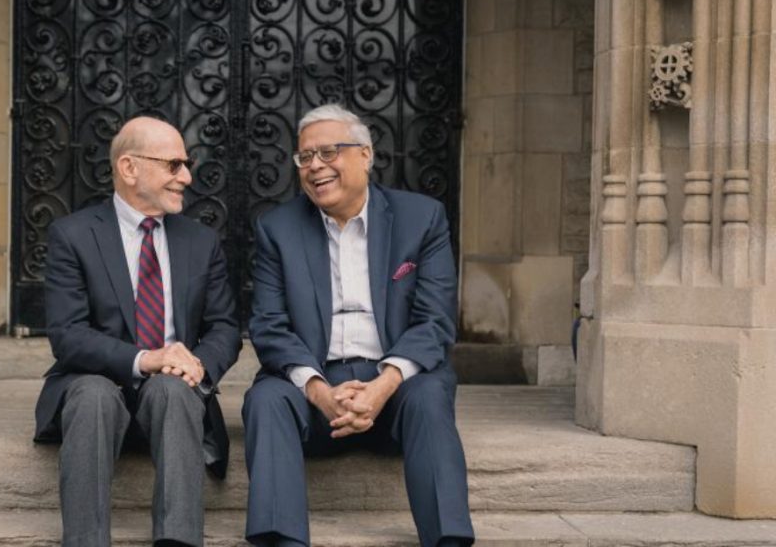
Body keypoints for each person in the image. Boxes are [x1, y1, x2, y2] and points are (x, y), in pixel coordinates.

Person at [242, 104, 474, 546]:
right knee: (267, 398)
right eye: (305, 157)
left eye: (329, 152)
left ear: (365, 155)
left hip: (394, 390)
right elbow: (269, 326)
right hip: (317, 388)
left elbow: (434, 321)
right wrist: (318, 391)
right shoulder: (278, 228)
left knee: (428, 392)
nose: (315, 167)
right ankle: (281, 540)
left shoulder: (421, 218)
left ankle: (447, 539)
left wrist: (382, 386)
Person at [33, 116, 241, 547]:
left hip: (171, 396)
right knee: (93, 393)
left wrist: (195, 365)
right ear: (129, 168)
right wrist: (147, 359)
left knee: (174, 389)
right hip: (92, 387)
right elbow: (68, 335)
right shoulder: (73, 236)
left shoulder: (201, 241)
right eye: (173, 165)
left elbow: (224, 327)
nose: (186, 176)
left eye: (186, 164)